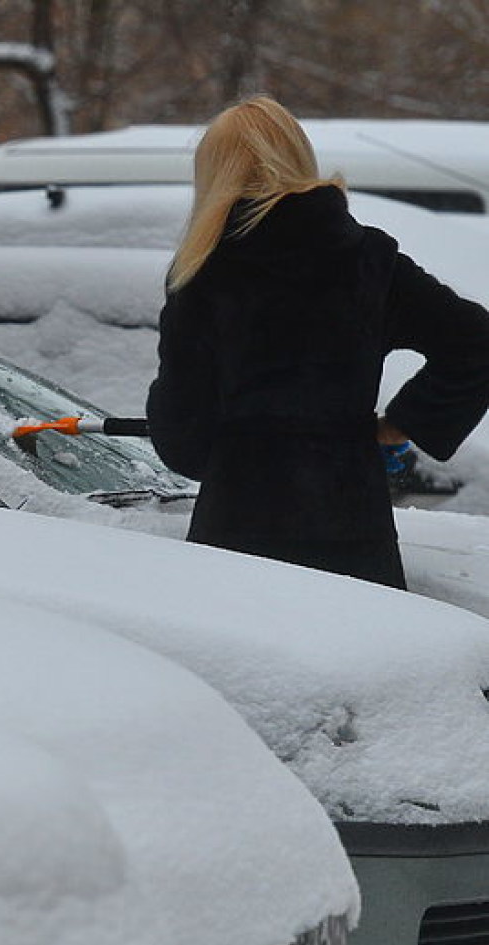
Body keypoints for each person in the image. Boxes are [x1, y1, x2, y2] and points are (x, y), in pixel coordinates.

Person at [146, 95, 489, 589]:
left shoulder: (204, 272)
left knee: (245, 665)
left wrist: (221, 450)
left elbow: (183, 435)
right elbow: (474, 341)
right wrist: (402, 424)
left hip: (238, 528)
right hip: (351, 519)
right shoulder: (369, 258)